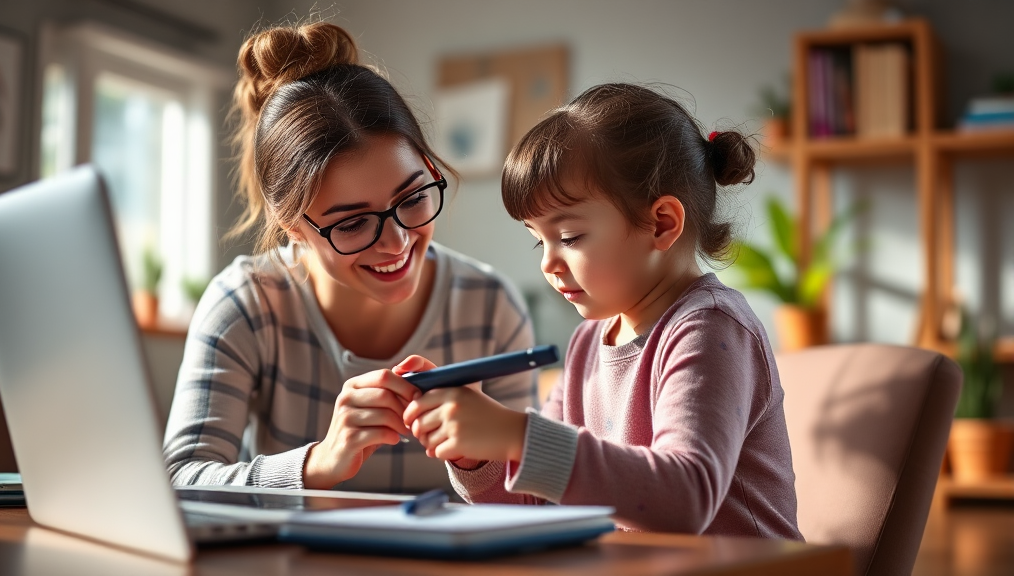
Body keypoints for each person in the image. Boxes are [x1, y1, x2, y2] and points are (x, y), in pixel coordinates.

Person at [400, 83, 802, 538]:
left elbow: (685, 498)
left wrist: (517, 435)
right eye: (539, 239)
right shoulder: (589, 342)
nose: (548, 263)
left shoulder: (709, 328)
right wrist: (479, 454)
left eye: (569, 237)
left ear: (661, 223)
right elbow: (539, 503)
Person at [161, 21, 536, 493]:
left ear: (430, 168)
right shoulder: (245, 305)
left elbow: (531, 503)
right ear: (292, 228)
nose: (397, 242)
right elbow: (179, 482)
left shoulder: (491, 308)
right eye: (353, 223)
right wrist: (319, 463)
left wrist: (477, 463)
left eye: (413, 197)